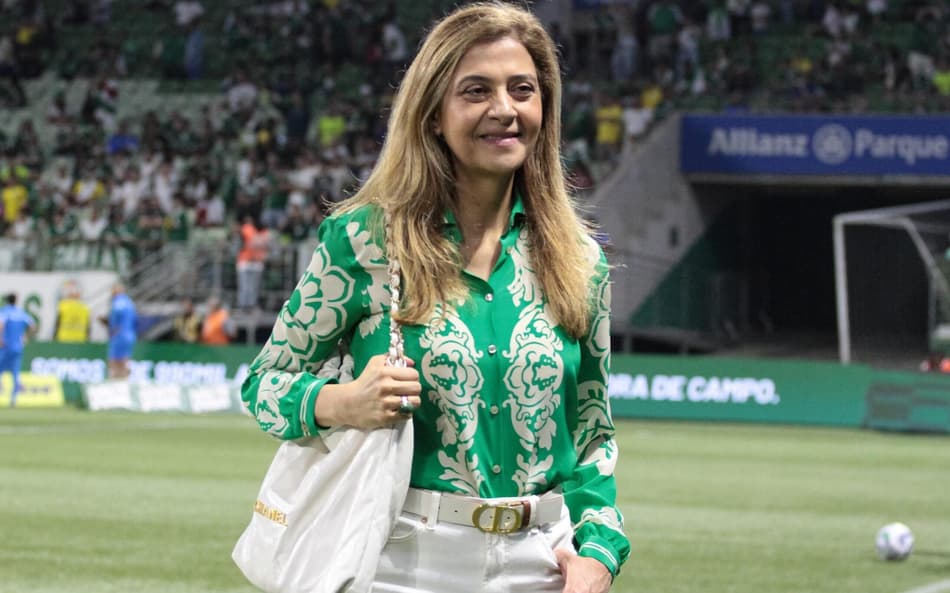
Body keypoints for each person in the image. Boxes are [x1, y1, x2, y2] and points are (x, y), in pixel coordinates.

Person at [240, 4, 628, 592]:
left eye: (522, 90)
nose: (504, 109)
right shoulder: (366, 240)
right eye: (476, 91)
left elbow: (593, 431)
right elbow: (264, 385)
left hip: (542, 566)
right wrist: (343, 402)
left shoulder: (582, 261)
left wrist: (599, 549)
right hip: (400, 564)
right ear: (433, 117)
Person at [0, 293, 36, 406]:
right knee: (15, 373)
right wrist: (25, 337)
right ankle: (14, 399)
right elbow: (33, 326)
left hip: (5, 347)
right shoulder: (21, 313)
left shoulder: (5, 311)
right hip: (17, 347)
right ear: (16, 301)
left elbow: (1, 324)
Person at [99, 283, 137, 379]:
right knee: (125, 358)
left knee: (114, 360)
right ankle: (124, 380)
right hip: (130, 334)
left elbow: (115, 318)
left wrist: (110, 325)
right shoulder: (130, 302)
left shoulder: (117, 303)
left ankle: (115, 380)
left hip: (119, 335)